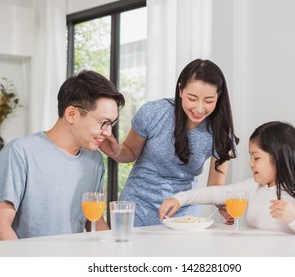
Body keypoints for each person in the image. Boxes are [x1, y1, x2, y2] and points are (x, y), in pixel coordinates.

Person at [0, 70, 125, 240]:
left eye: (112, 124)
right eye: (103, 123)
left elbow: (94, 221)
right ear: (72, 114)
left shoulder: (94, 159)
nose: (108, 132)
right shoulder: (20, 152)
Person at [99, 59, 238, 226]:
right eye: (192, 98)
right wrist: (115, 151)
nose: (200, 108)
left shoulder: (221, 132)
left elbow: (215, 185)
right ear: (180, 90)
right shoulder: (154, 113)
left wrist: (222, 203)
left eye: (208, 101)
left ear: (219, 96)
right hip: (138, 205)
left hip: (183, 209)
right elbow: (130, 151)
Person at [159, 121, 295, 239]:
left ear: (279, 158)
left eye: (256, 157)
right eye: (250, 157)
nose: (251, 164)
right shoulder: (255, 186)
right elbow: (217, 193)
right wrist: (180, 198)